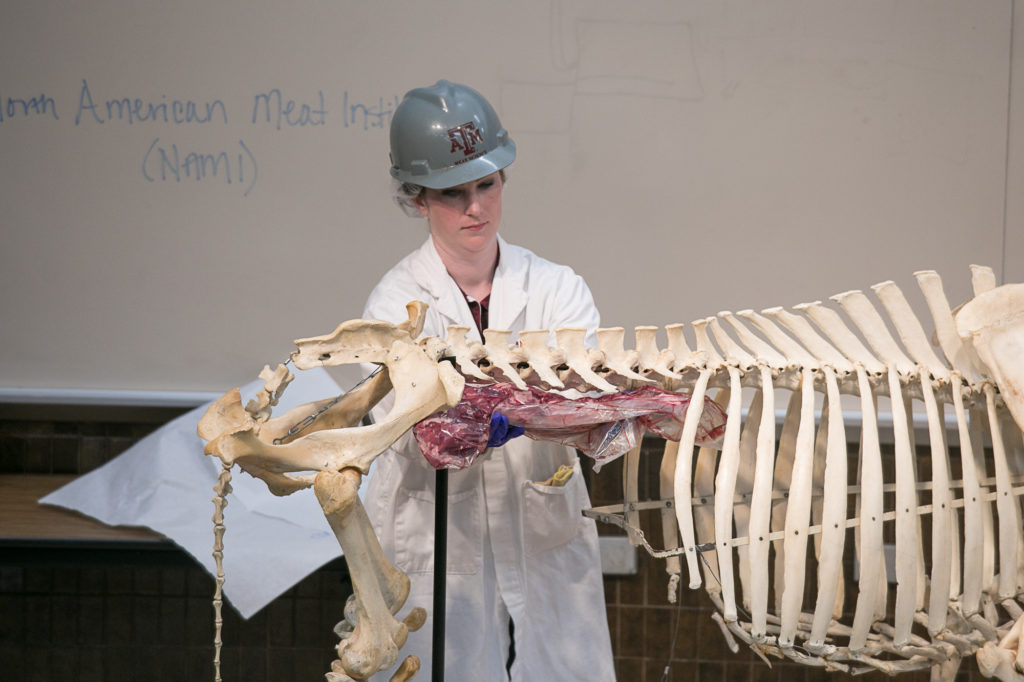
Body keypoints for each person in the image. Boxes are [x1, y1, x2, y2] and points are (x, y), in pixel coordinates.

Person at [361, 80, 616, 681]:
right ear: (419, 198)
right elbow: (403, 424)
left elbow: (587, 398)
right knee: (436, 666)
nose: (476, 208)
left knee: (566, 666)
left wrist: (477, 407)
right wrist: (524, 404)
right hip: (433, 529)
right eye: (453, 193)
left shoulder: (557, 289)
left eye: (487, 185)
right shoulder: (393, 305)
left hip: (540, 516)